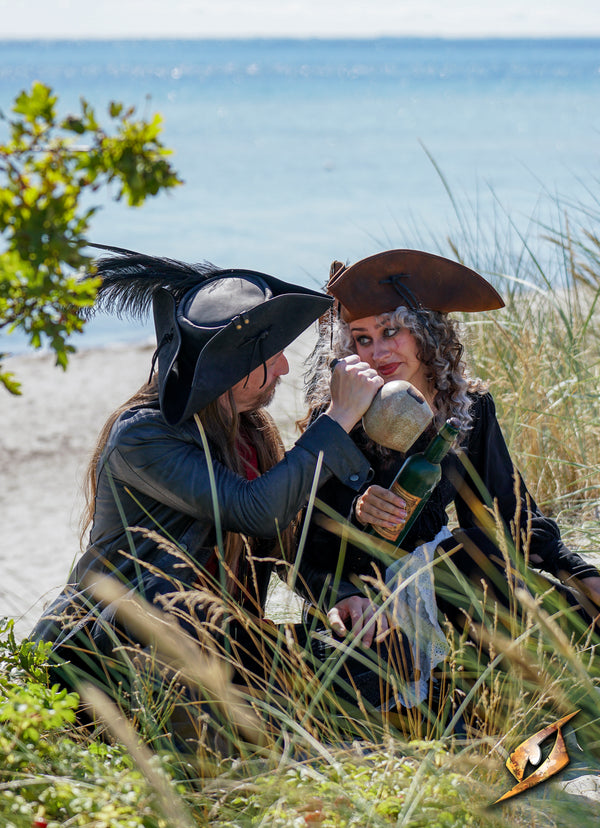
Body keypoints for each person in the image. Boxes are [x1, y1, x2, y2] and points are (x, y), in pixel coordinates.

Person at [31, 246, 384, 743]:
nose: (285, 367)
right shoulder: (143, 436)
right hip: (102, 655)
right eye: (272, 355)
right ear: (231, 368)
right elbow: (255, 511)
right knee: (182, 608)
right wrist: (339, 417)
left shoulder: (252, 432)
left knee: (346, 644)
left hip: (209, 642)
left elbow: (271, 564)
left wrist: (326, 605)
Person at [297, 249, 600, 714]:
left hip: (446, 582)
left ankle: (536, 686)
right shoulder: (340, 416)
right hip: (361, 597)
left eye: (391, 331)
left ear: (425, 331)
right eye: (362, 339)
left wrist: (578, 571)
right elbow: (301, 545)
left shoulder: (467, 407)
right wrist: (357, 515)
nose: (378, 352)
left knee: (474, 553)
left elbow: (508, 512)